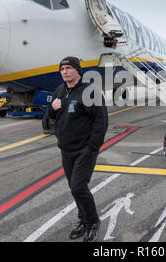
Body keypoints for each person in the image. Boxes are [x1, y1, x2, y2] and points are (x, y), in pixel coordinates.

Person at [47, 56, 108, 242]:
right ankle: (83, 220)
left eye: (68, 68)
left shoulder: (90, 92)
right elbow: (50, 117)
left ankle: (92, 222)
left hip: (84, 150)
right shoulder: (60, 90)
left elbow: (101, 122)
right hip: (66, 149)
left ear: (77, 70)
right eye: (62, 69)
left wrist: (92, 147)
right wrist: (52, 107)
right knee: (75, 189)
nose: (64, 71)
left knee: (78, 187)